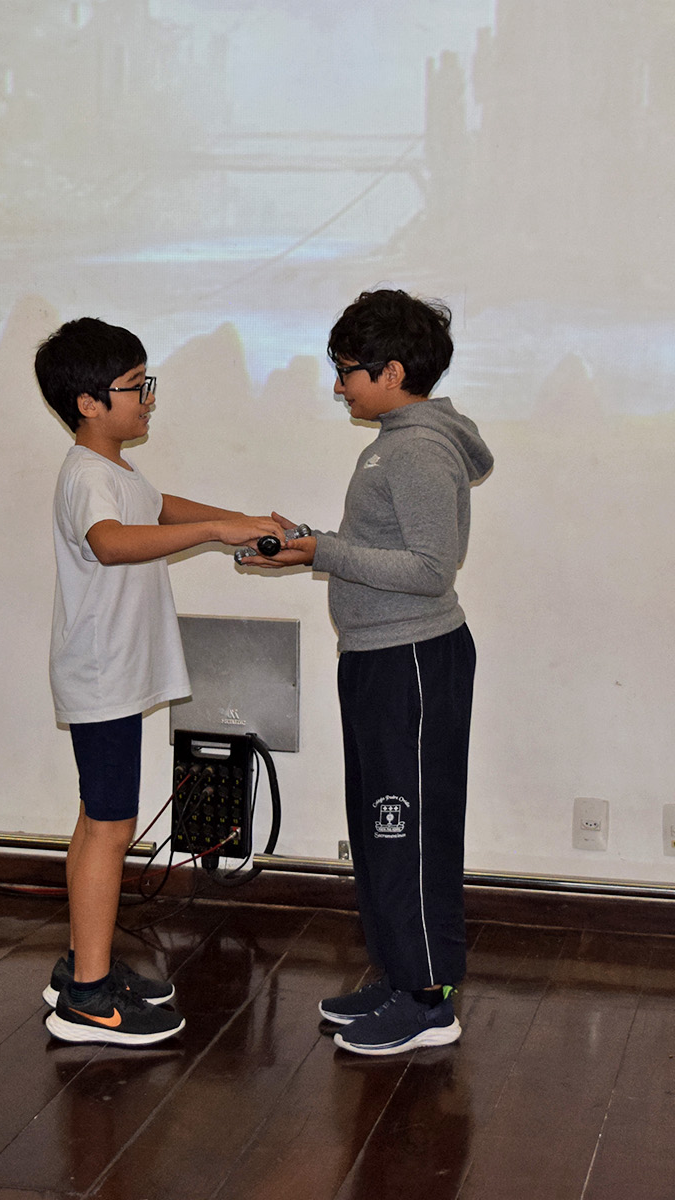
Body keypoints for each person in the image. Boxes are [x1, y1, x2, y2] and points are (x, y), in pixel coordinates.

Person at [244, 289, 493, 1055]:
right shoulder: (394, 441)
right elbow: (388, 552)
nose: (339, 386)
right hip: (379, 657)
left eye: (348, 371)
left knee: (406, 829)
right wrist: (312, 546)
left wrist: (322, 549)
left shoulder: (417, 449)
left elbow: (430, 569)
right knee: (382, 827)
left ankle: (428, 1000)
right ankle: (397, 975)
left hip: (412, 659)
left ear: (390, 372)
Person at [34, 317, 285, 1047]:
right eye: (134, 387)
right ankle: (87, 999)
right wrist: (215, 533)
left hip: (109, 674)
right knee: (110, 828)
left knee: (97, 823)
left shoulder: (114, 470)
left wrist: (239, 520)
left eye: (148, 384)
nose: (148, 399)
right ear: (88, 403)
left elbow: (157, 508)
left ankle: (83, 965)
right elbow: (112, 543)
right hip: (102, 677)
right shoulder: (87, 474)